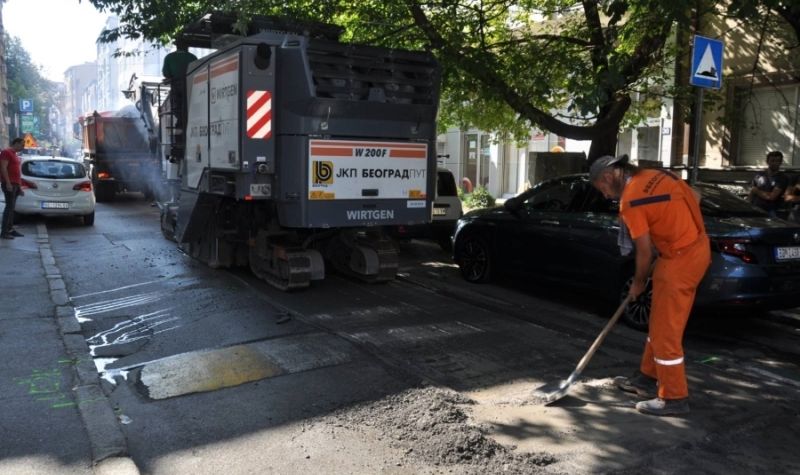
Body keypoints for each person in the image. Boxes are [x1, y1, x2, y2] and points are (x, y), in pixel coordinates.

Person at [590, 155, 711, 417]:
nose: (606, 195)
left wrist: (639, 283)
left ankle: (674, 397)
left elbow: (644, 252)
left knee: (665, 331)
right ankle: (645, 377)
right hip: (695, 249)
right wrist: (672, 232)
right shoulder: (659, 175)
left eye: (603, 189)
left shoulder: (631, 200)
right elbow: (696, 196)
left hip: (679, 261)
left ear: (609, 177)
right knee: (659, 323)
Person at [749, 151, 788, 218]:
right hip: (755, 209)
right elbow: (751, 193)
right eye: (772, 160)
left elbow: (772, 197)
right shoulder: (759, 175)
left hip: (771, 211)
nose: (774, 163)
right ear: (767, 161)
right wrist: (748, 205)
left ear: (781, 162)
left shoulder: (782, 178)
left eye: (777, 161)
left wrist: (756, 191)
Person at [1, 137, 26, 239]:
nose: (23, 147)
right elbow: (3, 168)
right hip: (9, 184)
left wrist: (19, 187)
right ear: (16, 143)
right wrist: (7, 183)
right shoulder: (6, 152)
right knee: (9, 208)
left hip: (15, 184)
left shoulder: (15, 155)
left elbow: (17, 172)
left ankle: (10, 229)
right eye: (22, 144)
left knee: (12, 208)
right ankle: (4, 232)